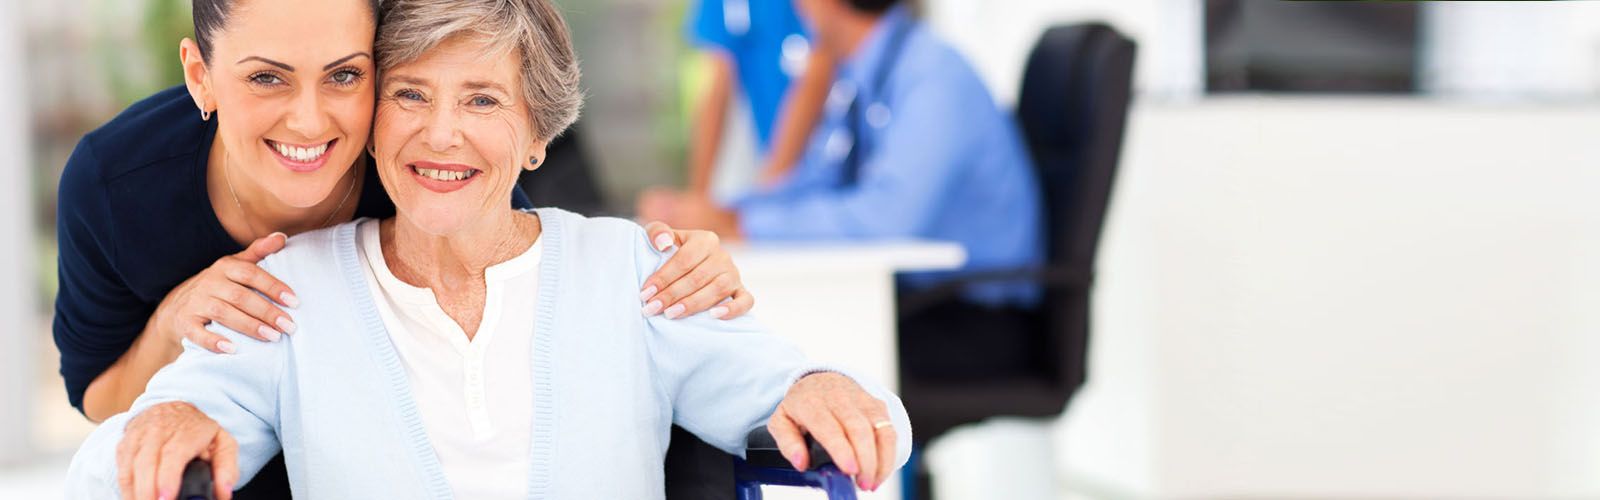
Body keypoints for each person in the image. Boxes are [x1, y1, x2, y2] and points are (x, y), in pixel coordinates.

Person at [65, 0, 911, 497]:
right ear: (376, 123)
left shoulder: (631, 273)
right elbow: (99, 470)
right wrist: (168, 417)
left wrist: (820, 385)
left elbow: (868, 420)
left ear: (537, 137)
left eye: (481, 100)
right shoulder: (289, 290)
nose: (443, 135)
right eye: (410, 94)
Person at [637, 0, 1044, 309]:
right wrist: (717, 211)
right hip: (922, 296)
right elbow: (819, 179)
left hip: (973, 309)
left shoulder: (933, 76)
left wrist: (743, 225)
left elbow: (885, 218)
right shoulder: (868, 72)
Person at [679, 0, 835, 202]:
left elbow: (820, 68)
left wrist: (769, 188)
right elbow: (717, 85)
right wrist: (697, 200)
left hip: (835, 161)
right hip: (774, 162)